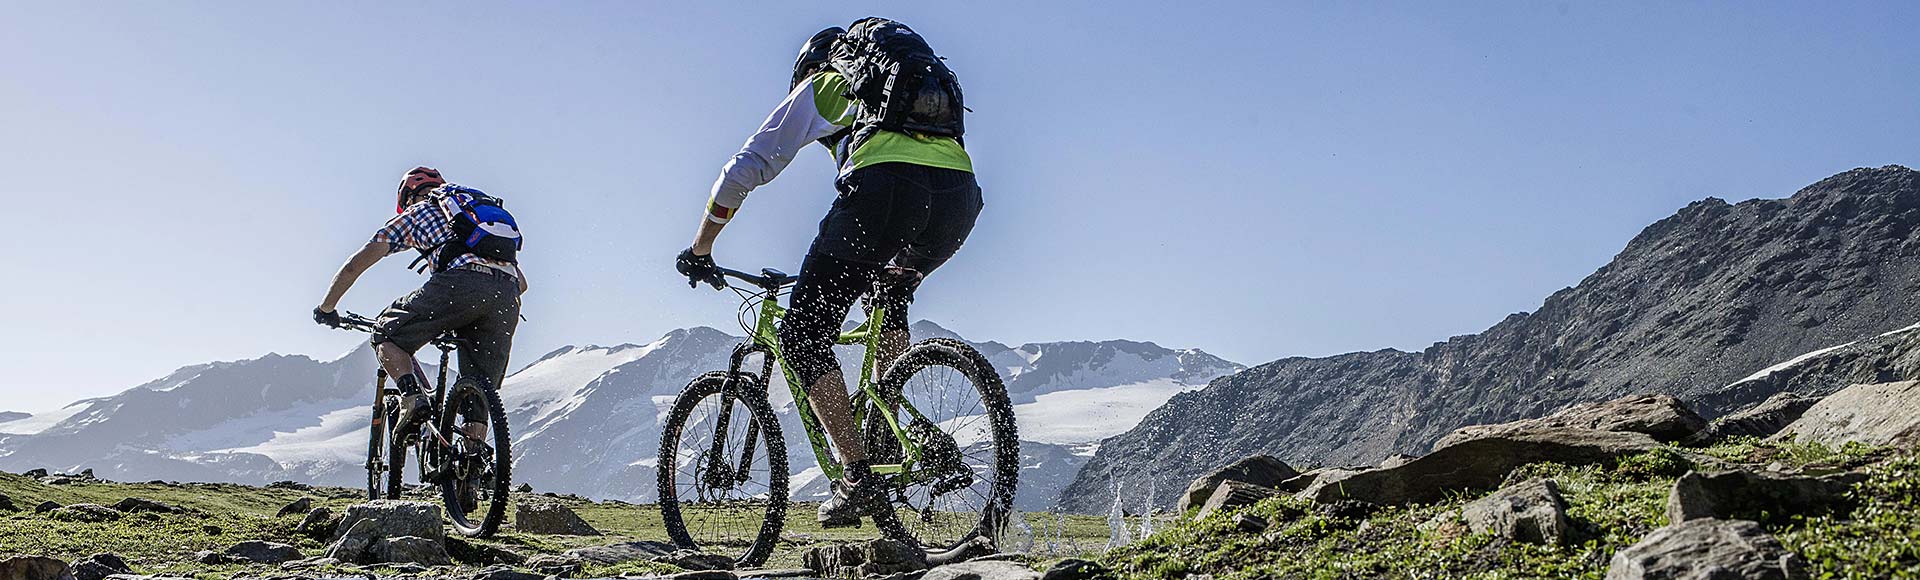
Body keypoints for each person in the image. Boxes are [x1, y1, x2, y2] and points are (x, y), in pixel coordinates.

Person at [675, 20, 983, 527]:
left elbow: (748, 164)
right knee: (887, 301)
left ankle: (857, 475)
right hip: (957, 203)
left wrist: (701, 246)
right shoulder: (898, 98)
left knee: (802, 334)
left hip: (887, 195)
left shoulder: (826, 83)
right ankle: (890, 435)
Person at [313, 166, 527, 447]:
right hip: (507, 295)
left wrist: (327, 307)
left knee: (386, 335)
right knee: (478, 390)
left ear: (407, 198)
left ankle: (412, 399)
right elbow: (522, 283)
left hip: (460, 285)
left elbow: (356, 264)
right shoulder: (470, 216)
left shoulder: (419, 212)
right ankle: (471, 471)